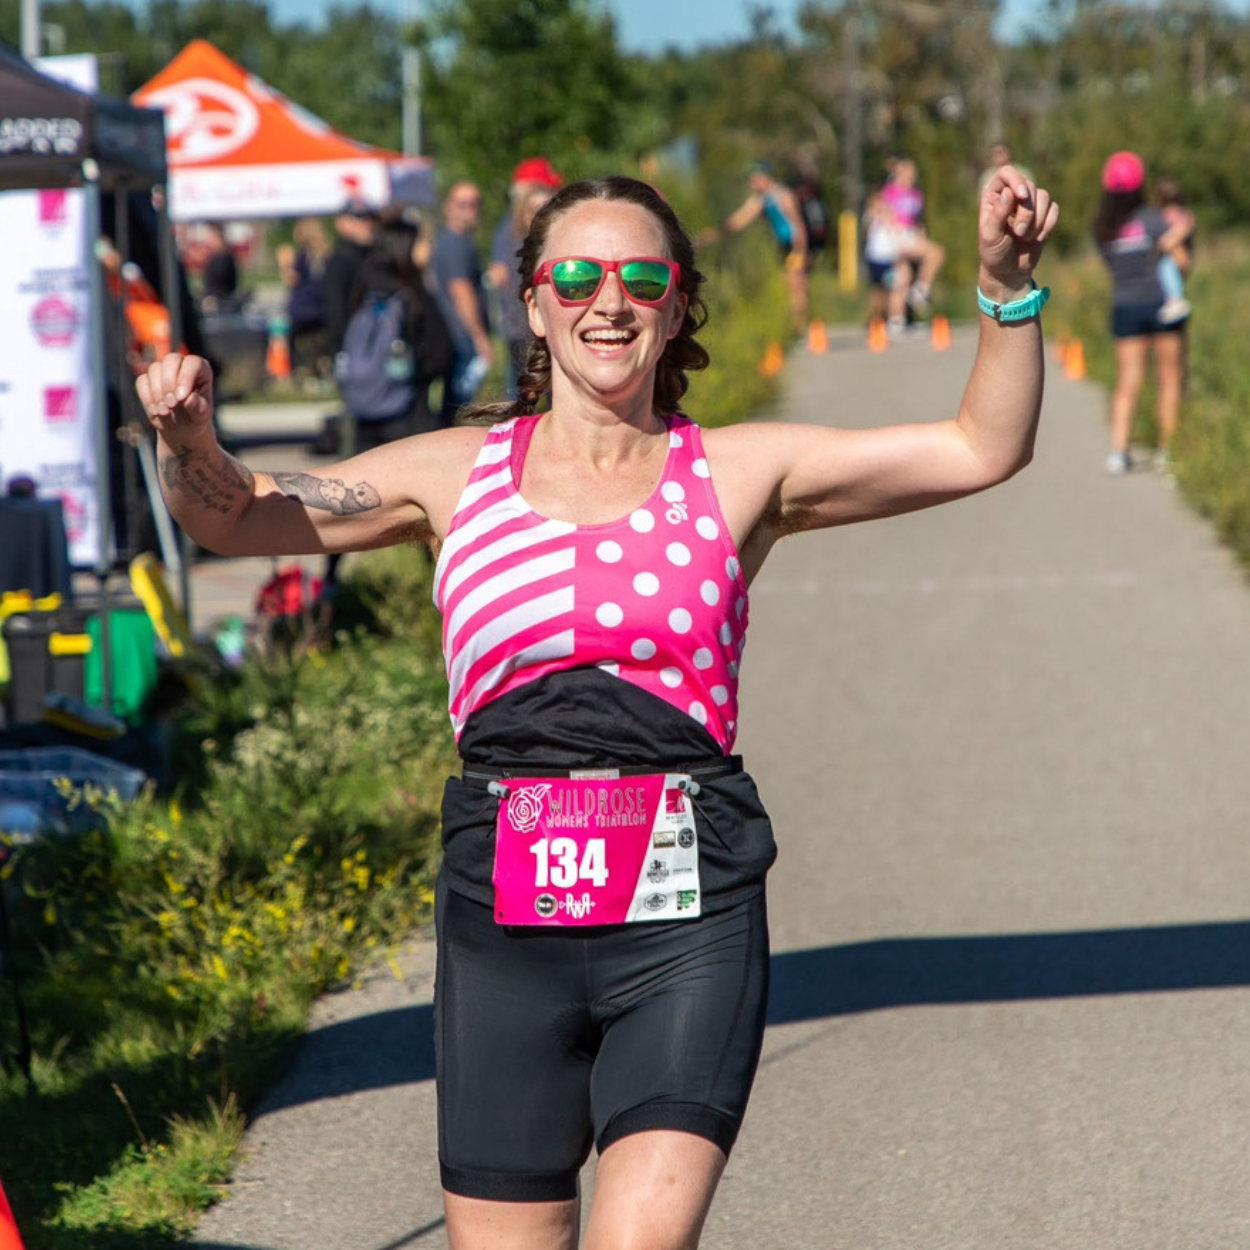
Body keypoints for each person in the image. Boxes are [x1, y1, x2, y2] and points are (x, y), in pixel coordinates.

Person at [136, 167, 1057, 1249]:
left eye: (640, 279)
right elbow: (238, 518)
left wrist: (1006, 289)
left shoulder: (739, 472)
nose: (607, 301)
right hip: (503, 929)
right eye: (575, 277)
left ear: (676, 306)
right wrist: (188, 442)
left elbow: (980, 446)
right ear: (533, 303)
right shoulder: (452, 475)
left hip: (686, 921)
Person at [1094, 150, 1190, 475]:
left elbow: (1111, 265)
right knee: (1169, 379)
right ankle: (1167, 450)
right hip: (1163, 306)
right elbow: (1181, 263)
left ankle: (1119, 450)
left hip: (1125, 306)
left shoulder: (1104, 227)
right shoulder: (1153, 219)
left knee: (1128, 380)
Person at [703, 161, 810, 336]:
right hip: (782, 246)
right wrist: (714, 234)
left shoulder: (782, 195)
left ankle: (799, 328)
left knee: (795, 285)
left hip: (794, 245)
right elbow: (740, 219)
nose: (751, 183)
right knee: (788, 285)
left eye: (754, 179)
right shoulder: (762, 199)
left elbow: (797, 223)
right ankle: (794, 327)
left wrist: (801, 251)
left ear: (765, 177)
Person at [489, 157, 564, 398]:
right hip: (522, 325)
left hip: (543, 322)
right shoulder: (512, 232)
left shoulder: (549, 233)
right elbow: (503, 277)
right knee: (521, 389)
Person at [433, 180, 494, 423]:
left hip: (457, 334)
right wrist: (479, 337)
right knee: (457, 406)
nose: (469, 209)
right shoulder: (455, 244)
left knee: (454, 404)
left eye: (474, 203)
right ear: (448, 206)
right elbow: (461, 291)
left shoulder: (455, 241)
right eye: (462, 204)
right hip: (461, 335)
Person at [880, 156, 946, 323]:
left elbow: (919, 222)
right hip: (897, 236)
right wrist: (893, 235)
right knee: (936, 253)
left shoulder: (916, 195)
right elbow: (884, 215)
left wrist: (921, 237)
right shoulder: (890, 192)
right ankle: (921, 290)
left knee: (903, 278)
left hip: (911, 235)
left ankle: (896, 319)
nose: (910, 175)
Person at [277, 216, 332, 381]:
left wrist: (284, 266)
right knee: (316, 341)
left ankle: (292, 372)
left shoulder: (303, 255)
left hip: (303, 308)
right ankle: (316, 367)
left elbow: (293, 279)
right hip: (321, 307)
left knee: (288, 336)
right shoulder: (326, 253)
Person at [1154, 175, 1195, 326]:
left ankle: (1175, 299)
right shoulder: (1184, 214)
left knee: (1167, 266)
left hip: (1173, 258)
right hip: (1179, 258)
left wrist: (1167, 241)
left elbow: (1171, 239)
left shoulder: (1164, 216)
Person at [198, 223, 239, 314]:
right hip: (212, 300)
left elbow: (220, 277)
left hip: (223, 303)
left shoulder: (226, 257)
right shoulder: (214, 257)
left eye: (213, 237)